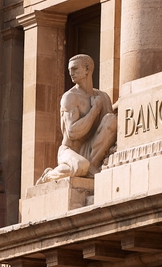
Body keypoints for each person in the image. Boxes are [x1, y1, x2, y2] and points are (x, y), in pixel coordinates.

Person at [37, 54, 117, 183]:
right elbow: (72, 132)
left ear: (87, 69)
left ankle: (93, 167)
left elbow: (111, 128)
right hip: (70, 151)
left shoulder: (103, 97)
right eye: (69, 70)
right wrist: (94, 111)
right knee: (81, 166)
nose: (71, 73)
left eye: (75, 69)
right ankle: (49, 175)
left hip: (91, 151)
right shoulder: (70, 97)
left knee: (111, 119)